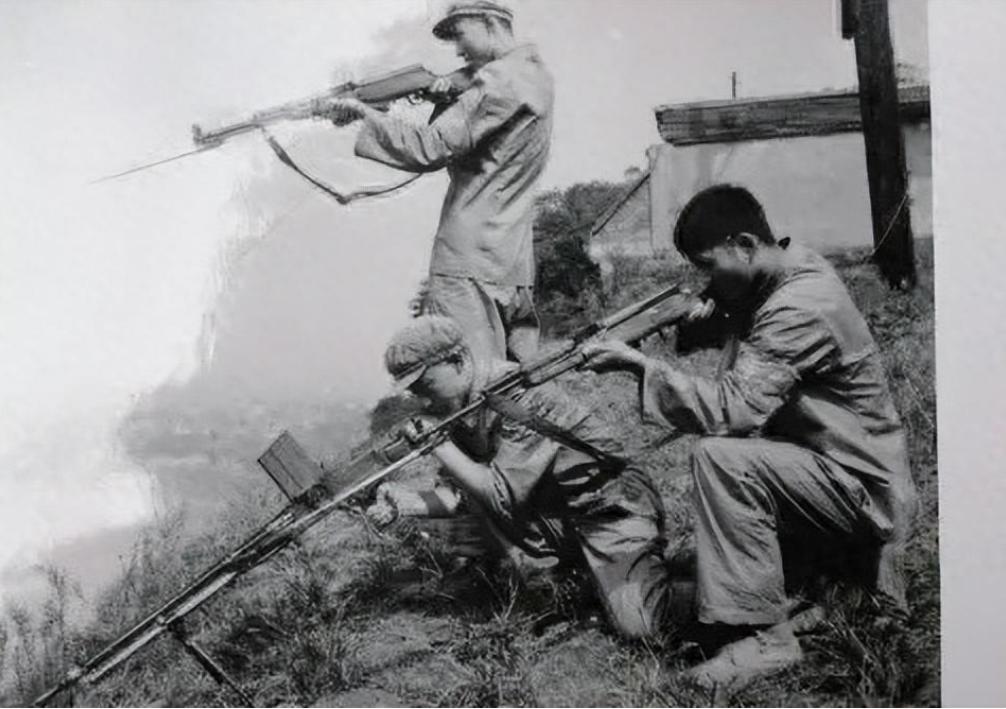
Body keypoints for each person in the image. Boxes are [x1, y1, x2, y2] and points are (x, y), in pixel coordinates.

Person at [582, 185, 918, 686]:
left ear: (744, 244)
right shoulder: (792, 269)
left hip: (867, 497)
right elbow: (756, 336)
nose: (707, 280)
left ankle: (764, 638)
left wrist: (639, 366)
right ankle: (801, 591)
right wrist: (708, 316)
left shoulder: (799, 305)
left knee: (721, 457)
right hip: (837, 475)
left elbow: (733, 409)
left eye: (709, 266)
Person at [369, 314, 681, 640]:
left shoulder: (516, 393)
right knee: (456, 527)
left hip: (608, 506)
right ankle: (567, 582)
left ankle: (700, 593)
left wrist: (438, 445)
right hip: (557, 514)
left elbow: (501, 495)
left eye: (426, 385)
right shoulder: (459, 408)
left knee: (641, 625)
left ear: (458, 360)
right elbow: (459, 494)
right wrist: (406, 504)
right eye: (413, 391)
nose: (422, 400)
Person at [325, 1, 554, 364]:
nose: (458, 50)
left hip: (467, 261)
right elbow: (485, 150)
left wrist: (363, 113)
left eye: (460, 35)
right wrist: (446, 99)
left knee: (465, 375)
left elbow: (430, 147)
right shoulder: (534, 74)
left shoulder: (498, 79)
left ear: (489, 22)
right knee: (516, 377)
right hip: (511, 259)